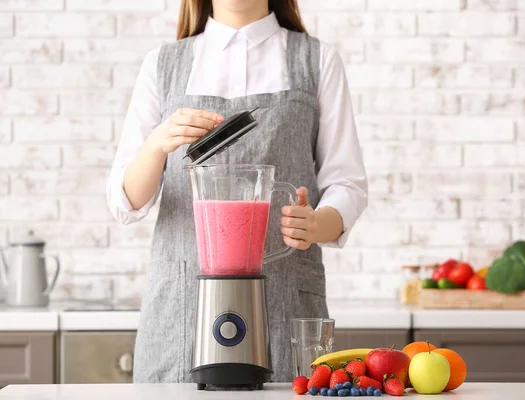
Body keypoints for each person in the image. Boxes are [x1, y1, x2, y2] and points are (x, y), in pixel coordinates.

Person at [106, 0, 368, 384]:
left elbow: (348, 184)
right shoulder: (162, 64)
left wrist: (315, 224)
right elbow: (126, 202)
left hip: (284, 304)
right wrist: (157, 144)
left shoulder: (317, 61)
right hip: (182, 313)